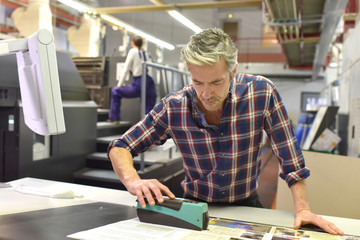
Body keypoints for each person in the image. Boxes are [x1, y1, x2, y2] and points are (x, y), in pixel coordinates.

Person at [107, 28, 343, 235]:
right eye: (198, 82)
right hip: (193, 206)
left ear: (234, 71)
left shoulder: (261, 93)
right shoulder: (174, 106)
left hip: (246, 204)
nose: (206, 94)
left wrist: (303, 209)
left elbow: (289, 156)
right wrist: (133, 181)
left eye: (217, 82)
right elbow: (121, 146)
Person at [108, 36, 157, 123]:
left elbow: (125, 69)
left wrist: (119, 85)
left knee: (115, 91)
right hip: (150, 85)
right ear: (142, 43)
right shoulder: (147, 53)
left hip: (139, 83)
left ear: (132, 43)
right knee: (148, 112)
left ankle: (114, 118)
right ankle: (148, 128)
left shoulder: (133, 51)